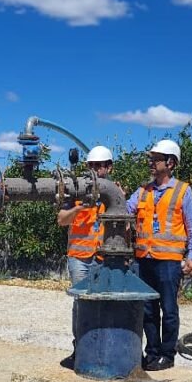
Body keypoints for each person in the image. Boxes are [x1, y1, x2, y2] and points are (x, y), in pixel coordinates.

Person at [126, 139, 192, 371]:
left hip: (169, 262)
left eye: (156, 159)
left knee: (168, 310)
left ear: (170, 163)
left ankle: (167, 355)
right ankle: (152, 353)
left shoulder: (182, 191)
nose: (151, 163)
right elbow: (124, 210)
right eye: (150, 158)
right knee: (148, 310)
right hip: (144, 259)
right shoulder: (142, 191)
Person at [57, 146, 114, 361]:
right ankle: (79, 348)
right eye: (92, 165)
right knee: (81, 302)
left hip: (103, 257)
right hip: (79, 258)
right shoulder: (76, 190)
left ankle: (101, 348)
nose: (95, 169)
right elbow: (62, 220)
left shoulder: (113, 192)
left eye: (99, 166)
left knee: (105, 302)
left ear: (109, 167)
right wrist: (78, 209)